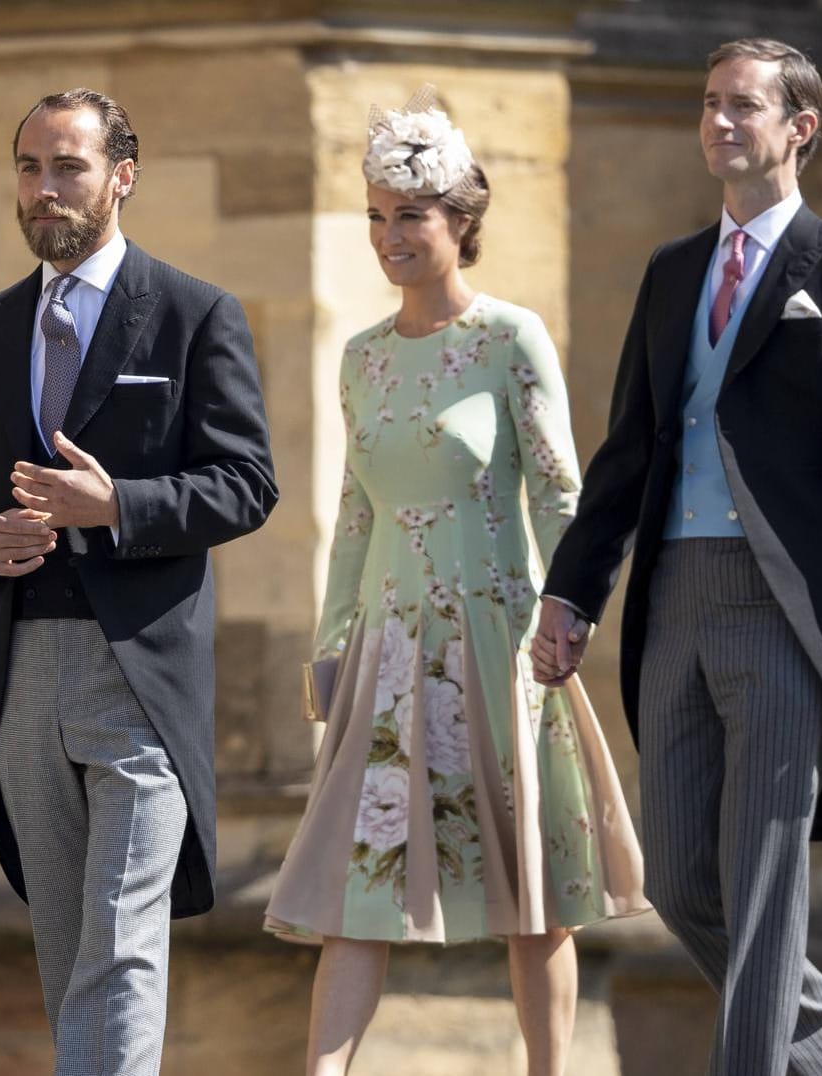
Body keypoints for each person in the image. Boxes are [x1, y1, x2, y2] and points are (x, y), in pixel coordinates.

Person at [534, 38, 822, 1076]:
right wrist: (573, 590)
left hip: (782, 608)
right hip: (674, 600)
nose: (718, 122)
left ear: (800, 126)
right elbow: (627, 450)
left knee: (762, 879)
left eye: (742, 107)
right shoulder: (671, 273)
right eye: (709, 104)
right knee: (676, 876)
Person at [260, 88, 649, 1076]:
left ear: (460, 221)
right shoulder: (359, 359)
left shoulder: (510, 339)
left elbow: (562, 495)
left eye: (412, 215)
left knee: (536, 892)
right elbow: (355, 514)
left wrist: (575, 613)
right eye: (378, 217)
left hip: (505, 648)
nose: (391, 236)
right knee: (361, 881)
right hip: (388, 655)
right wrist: (330, 640)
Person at [0, 88, 277, 1075]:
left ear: (122, 174)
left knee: (123, 937)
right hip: (26, 668)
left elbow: (248, 483)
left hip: (141, 675)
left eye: (67, 166)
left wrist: (115, 503)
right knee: (68, 941)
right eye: (29, 167)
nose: (44, 189)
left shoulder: (196, 313)